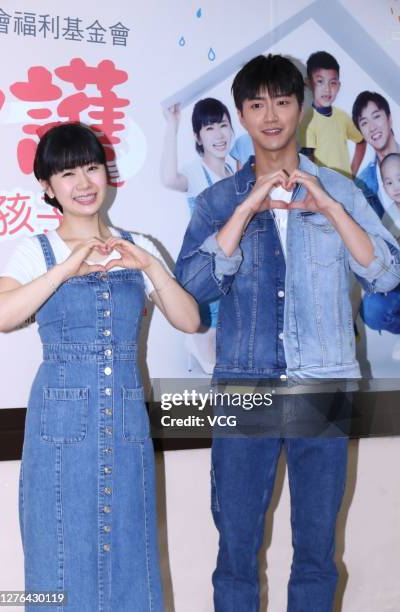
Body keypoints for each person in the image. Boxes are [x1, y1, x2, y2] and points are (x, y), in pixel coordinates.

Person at [175, 54, 400, 611]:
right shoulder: (216, 201)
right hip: (244, 387)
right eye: (257, 105)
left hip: (322, 386)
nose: (270, 115)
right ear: (242, 116)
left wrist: (327, 204)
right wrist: (249, 203)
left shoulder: (342, 191)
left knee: (316, 554)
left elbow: (386, 272)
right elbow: (195, 285)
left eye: (282, 101)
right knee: (235, 556)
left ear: (301, 107)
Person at [0, 122, 199, 611]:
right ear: (47, 187)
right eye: (67, 174)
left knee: (130, 551)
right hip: (59, 431)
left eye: (91, 167)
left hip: (125, 426)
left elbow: (190, 321)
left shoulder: (137, 243)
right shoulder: (36, 251)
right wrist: (66, 267)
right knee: (59, 554)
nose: (83, 183)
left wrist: (147, 265)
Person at [161, 98, 234, 374]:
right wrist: (172, 126)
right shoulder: (195, 171)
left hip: (233, 266)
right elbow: (169, 179)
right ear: (198, 136)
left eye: (223, 126)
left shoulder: (235, 171)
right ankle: (199, 338)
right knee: (215, 360)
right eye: (209, 128)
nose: (219, 135)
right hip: (207, 268)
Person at [352, 91, 400, 358]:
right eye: (364, 122)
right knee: (372, 310)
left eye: (376, 117)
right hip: (393, 271)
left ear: (389, 118)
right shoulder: (364, 184)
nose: (372, 127)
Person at [298, 51, 365, 178]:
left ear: (339, 86)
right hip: (323, 190)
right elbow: (307, 162)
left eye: (332, 83)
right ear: (309, 83)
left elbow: (361, 141)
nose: (327, 89)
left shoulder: (342, 117)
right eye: (320, 81)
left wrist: (352, 174)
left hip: (345, 188)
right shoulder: (307, 121)